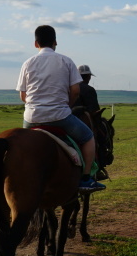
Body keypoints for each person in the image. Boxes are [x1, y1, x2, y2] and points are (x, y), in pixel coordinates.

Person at [17, 25, 105, 193]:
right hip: (60, 115)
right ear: (55, 42)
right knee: (88, 137)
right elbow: (76, 91)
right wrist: (68, 105)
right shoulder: (66, 61)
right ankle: (86, 179)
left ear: (36, 44)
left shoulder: (27, 63)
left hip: (31, 118)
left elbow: (23, 95)